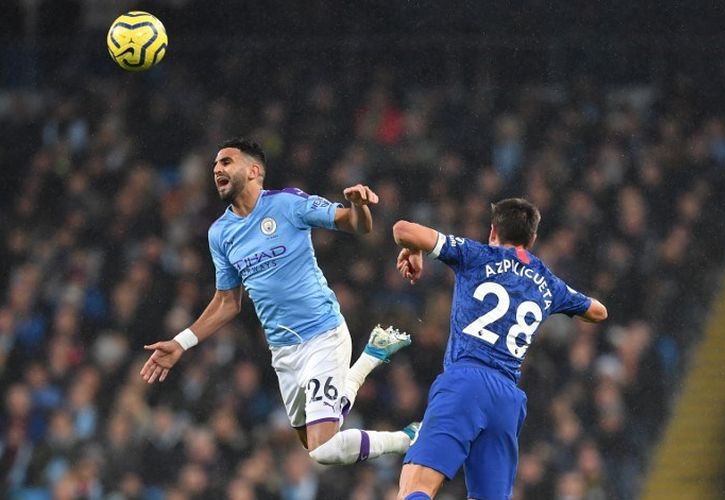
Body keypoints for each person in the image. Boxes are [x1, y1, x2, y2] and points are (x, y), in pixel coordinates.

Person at [140, 138, 418, 465]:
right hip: (284, 352)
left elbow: (358, 226)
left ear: (254, 171)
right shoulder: (220, 234)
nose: (217, 169)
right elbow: (228, 301)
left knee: (323, 450)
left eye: (227, 162)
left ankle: (409, 437)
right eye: (215, 164)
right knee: (311, 440)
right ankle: (369, 358)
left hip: (323, 335)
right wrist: (181, 343)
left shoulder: (288, 204)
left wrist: (358, 205)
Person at [391, 198, 608, 500]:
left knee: (416, 487)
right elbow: (599, 312)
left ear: (493, 231)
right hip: (506, 400)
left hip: (465, 382)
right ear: (531, 239)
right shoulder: (548, 282)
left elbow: (403, 229)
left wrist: (414, 249)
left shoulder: (476, 254)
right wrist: (561, 300)